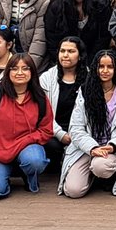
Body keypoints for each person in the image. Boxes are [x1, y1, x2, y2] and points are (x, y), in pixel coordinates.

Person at [0, 52, 53, 200]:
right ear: (7, 71)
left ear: (32, 72)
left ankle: (29, 176)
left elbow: (46, 130)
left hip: (27, 148)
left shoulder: (40, 97)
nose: (20, 73)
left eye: (25, 68)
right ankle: (4, 175)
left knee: (35, 160)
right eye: (15, 69)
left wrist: (25, 141)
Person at [60, 50, 116, 198]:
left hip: (111, 149)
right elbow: (76, 129)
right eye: (101, 66)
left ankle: (104, 174)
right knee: (73, 191)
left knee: (101, 167)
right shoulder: (85, 91)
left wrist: (113, 146)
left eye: (110, 67)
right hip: (87, 148)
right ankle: (91, 177)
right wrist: (92, 148)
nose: (105, 71)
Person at [40, 36, 87, 172]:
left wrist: (77, 136)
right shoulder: (46, 78)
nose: (65, 55)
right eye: (62, 51)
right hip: (53, 132)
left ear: (80, 55)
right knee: (49, 144)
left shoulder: (90, 79)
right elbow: (43, 113)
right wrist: (61, 135)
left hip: (81, 133)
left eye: (71, 51)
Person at [44, 0, 113, 59]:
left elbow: (104, 35)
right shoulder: (57, 6)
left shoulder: (100, 2)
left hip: (94, 51)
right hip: (65, 54)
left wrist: (92, 60)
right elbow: (52, 35)